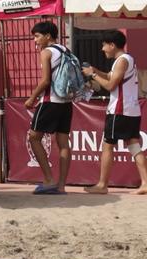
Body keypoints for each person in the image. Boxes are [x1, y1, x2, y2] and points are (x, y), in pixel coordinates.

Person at [81, 31, 147, 194]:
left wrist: (93, 74)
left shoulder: (122, 61)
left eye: (104, 45)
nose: (103, 49)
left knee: (107, 146)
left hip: (120, 109)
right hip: (130, 110)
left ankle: (102, 185)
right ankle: (145, 182)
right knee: (133, 145)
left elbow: (110, 85)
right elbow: (110, 76)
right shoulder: (124, 60)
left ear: (112, 45)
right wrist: (94, 70)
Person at [22, 20, 75, 195]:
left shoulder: (46, 52)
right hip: (66, 102)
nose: (35, 40)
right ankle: (61, 185)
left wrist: (31, 98)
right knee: (63, 143)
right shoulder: (66, 50)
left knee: (34, 137)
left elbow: (45, 81)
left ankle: (48, 179)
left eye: (36, 36)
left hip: (50, 100)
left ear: (47, 36)